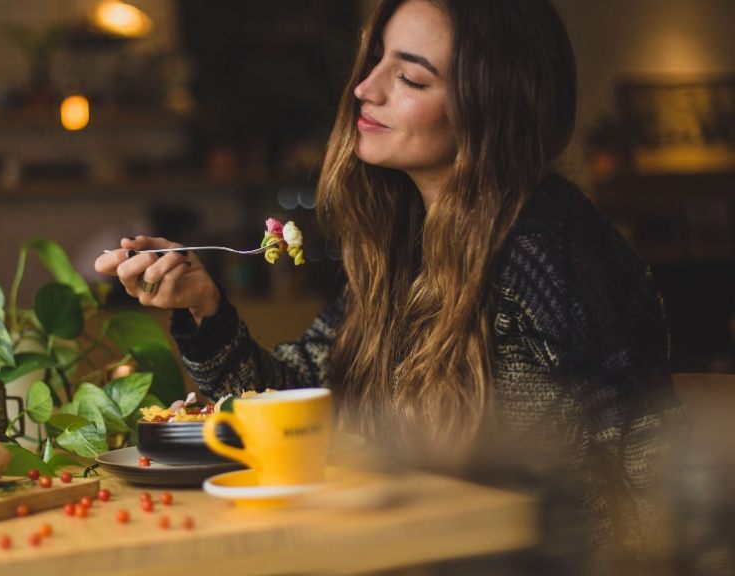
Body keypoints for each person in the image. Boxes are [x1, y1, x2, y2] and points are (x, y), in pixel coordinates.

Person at [95, 0, 684, 569]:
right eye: (374, 59)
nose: (364, 88)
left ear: (492, 107)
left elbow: (650, 458)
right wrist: (205, 307)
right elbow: (300, 401)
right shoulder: (407, 246)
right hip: (411, 551)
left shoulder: (549, 245)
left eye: (410, 77)